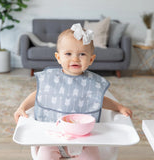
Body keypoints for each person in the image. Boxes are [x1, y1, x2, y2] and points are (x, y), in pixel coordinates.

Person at [14, 23, 132, 160]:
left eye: (82, 54)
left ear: (91, 59)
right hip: (52, 138)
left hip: (85, 140)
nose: (75, 58)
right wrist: (21, 107)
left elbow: (99, 100)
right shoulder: (52, 80)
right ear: (58, 57)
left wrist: (119, 107)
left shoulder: (92, 83)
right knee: (44, 157)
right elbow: (38, 95)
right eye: (68, 54)